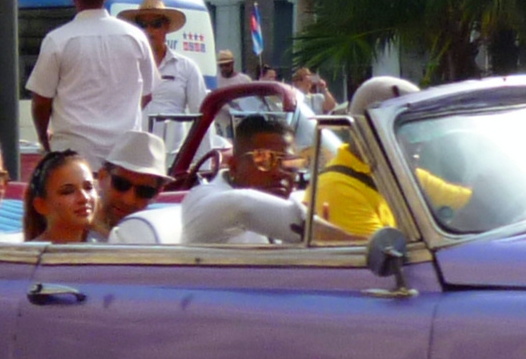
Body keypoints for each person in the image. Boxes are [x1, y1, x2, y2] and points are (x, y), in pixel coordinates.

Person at [28, 0, 154, 161]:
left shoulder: (58, 40)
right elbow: (147, 94)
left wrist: (44, 139)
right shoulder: (136, 36)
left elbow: (41, 102)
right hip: (123, 153)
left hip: (74, 153)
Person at [315, 76, 471, 236]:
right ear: (372, 131)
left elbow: (466, 201)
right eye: (408, 131)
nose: (419, 143)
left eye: (420, 130)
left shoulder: (402, 173)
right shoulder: (337, 189)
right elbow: (386, 255)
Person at [180, 113, 355, 244]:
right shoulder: (202, 200)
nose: (279, 172)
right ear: (234, 166)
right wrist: (323, 232)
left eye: (289, 163)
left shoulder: (293, 204)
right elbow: (243, 206)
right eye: (263, 159)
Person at [119, 0, 205, 150]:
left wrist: (202, 163)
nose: (149, 31)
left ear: (166, 28)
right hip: (133, 154)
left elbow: (201, 117)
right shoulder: (125, 65)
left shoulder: (187, 68)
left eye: (156, 24)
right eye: (142, 25)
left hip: (172, 155)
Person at [91, 130, 169, 240]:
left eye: (144, 191)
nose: (128, 200)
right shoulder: (70, 225)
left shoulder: (160, 233)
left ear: (158, 193)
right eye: (121, 184)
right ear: (102, 177)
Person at [23, 149, 103, 243]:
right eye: (68, 191)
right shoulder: (24, 256)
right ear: (41, 205)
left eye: (88, 187)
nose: (84, 198)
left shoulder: (106, 251)